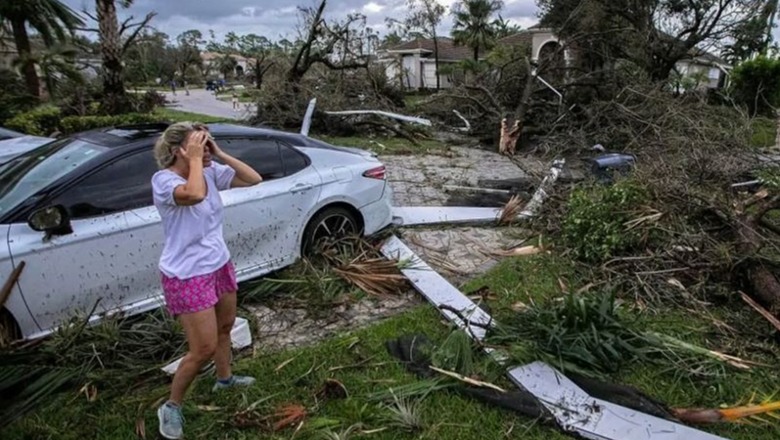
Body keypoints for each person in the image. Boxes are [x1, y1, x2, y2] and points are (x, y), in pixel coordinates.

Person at [152, 122, 263, 439]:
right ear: (179, 151)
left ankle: (224, 379)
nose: (205, 147)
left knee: (226, 327)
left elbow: (253, 178)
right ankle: (171, 406)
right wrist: (198, 161)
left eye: (205, 142)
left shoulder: (210, 171)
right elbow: (195, 194)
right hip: (187, 274)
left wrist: (218, 153)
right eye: (198, 144)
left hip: (218, 263)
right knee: (202, 348)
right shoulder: (164, 180)